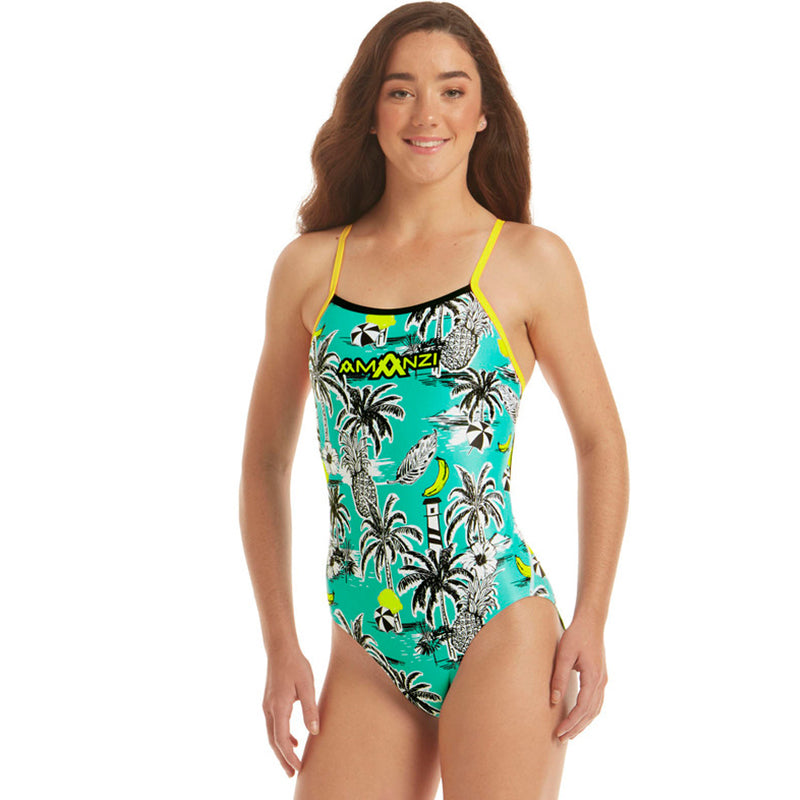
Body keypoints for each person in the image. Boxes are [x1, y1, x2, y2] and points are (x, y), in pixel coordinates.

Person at [239, 2, 628, 797]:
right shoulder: (310, 270)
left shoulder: (528, 261)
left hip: (499, 622)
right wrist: (280, 643)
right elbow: (265, 462)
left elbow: (600, 442)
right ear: (370, 111)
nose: (427, 114)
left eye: (452, 91)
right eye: (400, 91)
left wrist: (592, 616)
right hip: (365, 638)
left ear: (484, 114)